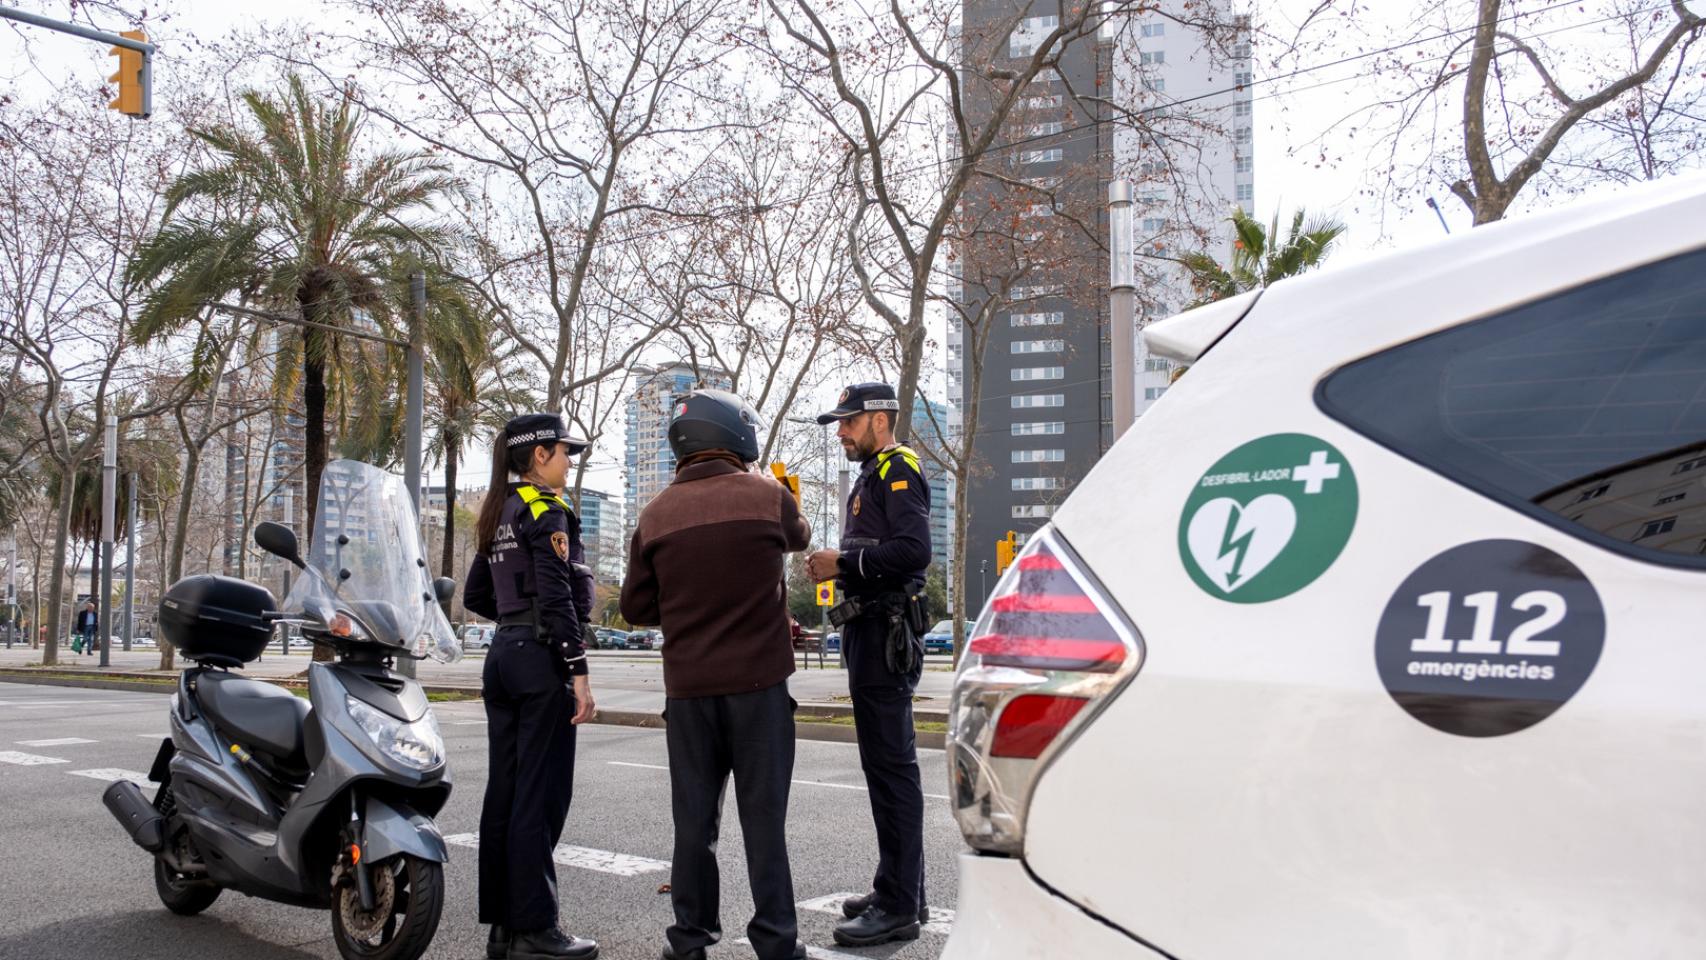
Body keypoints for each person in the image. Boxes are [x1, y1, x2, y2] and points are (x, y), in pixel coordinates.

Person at [620, 389, 812, 960]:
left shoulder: (653, 515)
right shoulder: (767, 496)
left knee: (694, 824)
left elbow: (633, 607)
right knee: (764, 822)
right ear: (735, 436)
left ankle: (689, 940)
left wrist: (684, 605)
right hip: (759, 691)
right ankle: (776, 942)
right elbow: (799, 538)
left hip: (689, 694)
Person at [464, 413, 600, 960]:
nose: (569, 461)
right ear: (539, 455)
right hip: (540, 662)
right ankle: (536, 929)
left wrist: (514, 617)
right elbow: (558, 595)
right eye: (565, 451)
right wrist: (578, 668)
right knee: (540, 797)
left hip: (503, 657)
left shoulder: (500, 510)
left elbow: (476, 594)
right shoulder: (546, 509)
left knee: (507, 791)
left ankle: (504, 927)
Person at [804, 383, 932, 948]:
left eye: (849, 421)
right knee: (884, 770)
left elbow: (914, 551)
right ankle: (901, 889)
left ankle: (900, 907)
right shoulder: (874, 472)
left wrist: (843, 560)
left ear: (880, 419)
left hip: (885, 633)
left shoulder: (897, 468)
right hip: (870, 629)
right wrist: (840, 567)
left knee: (891, 769)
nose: (841, 432)